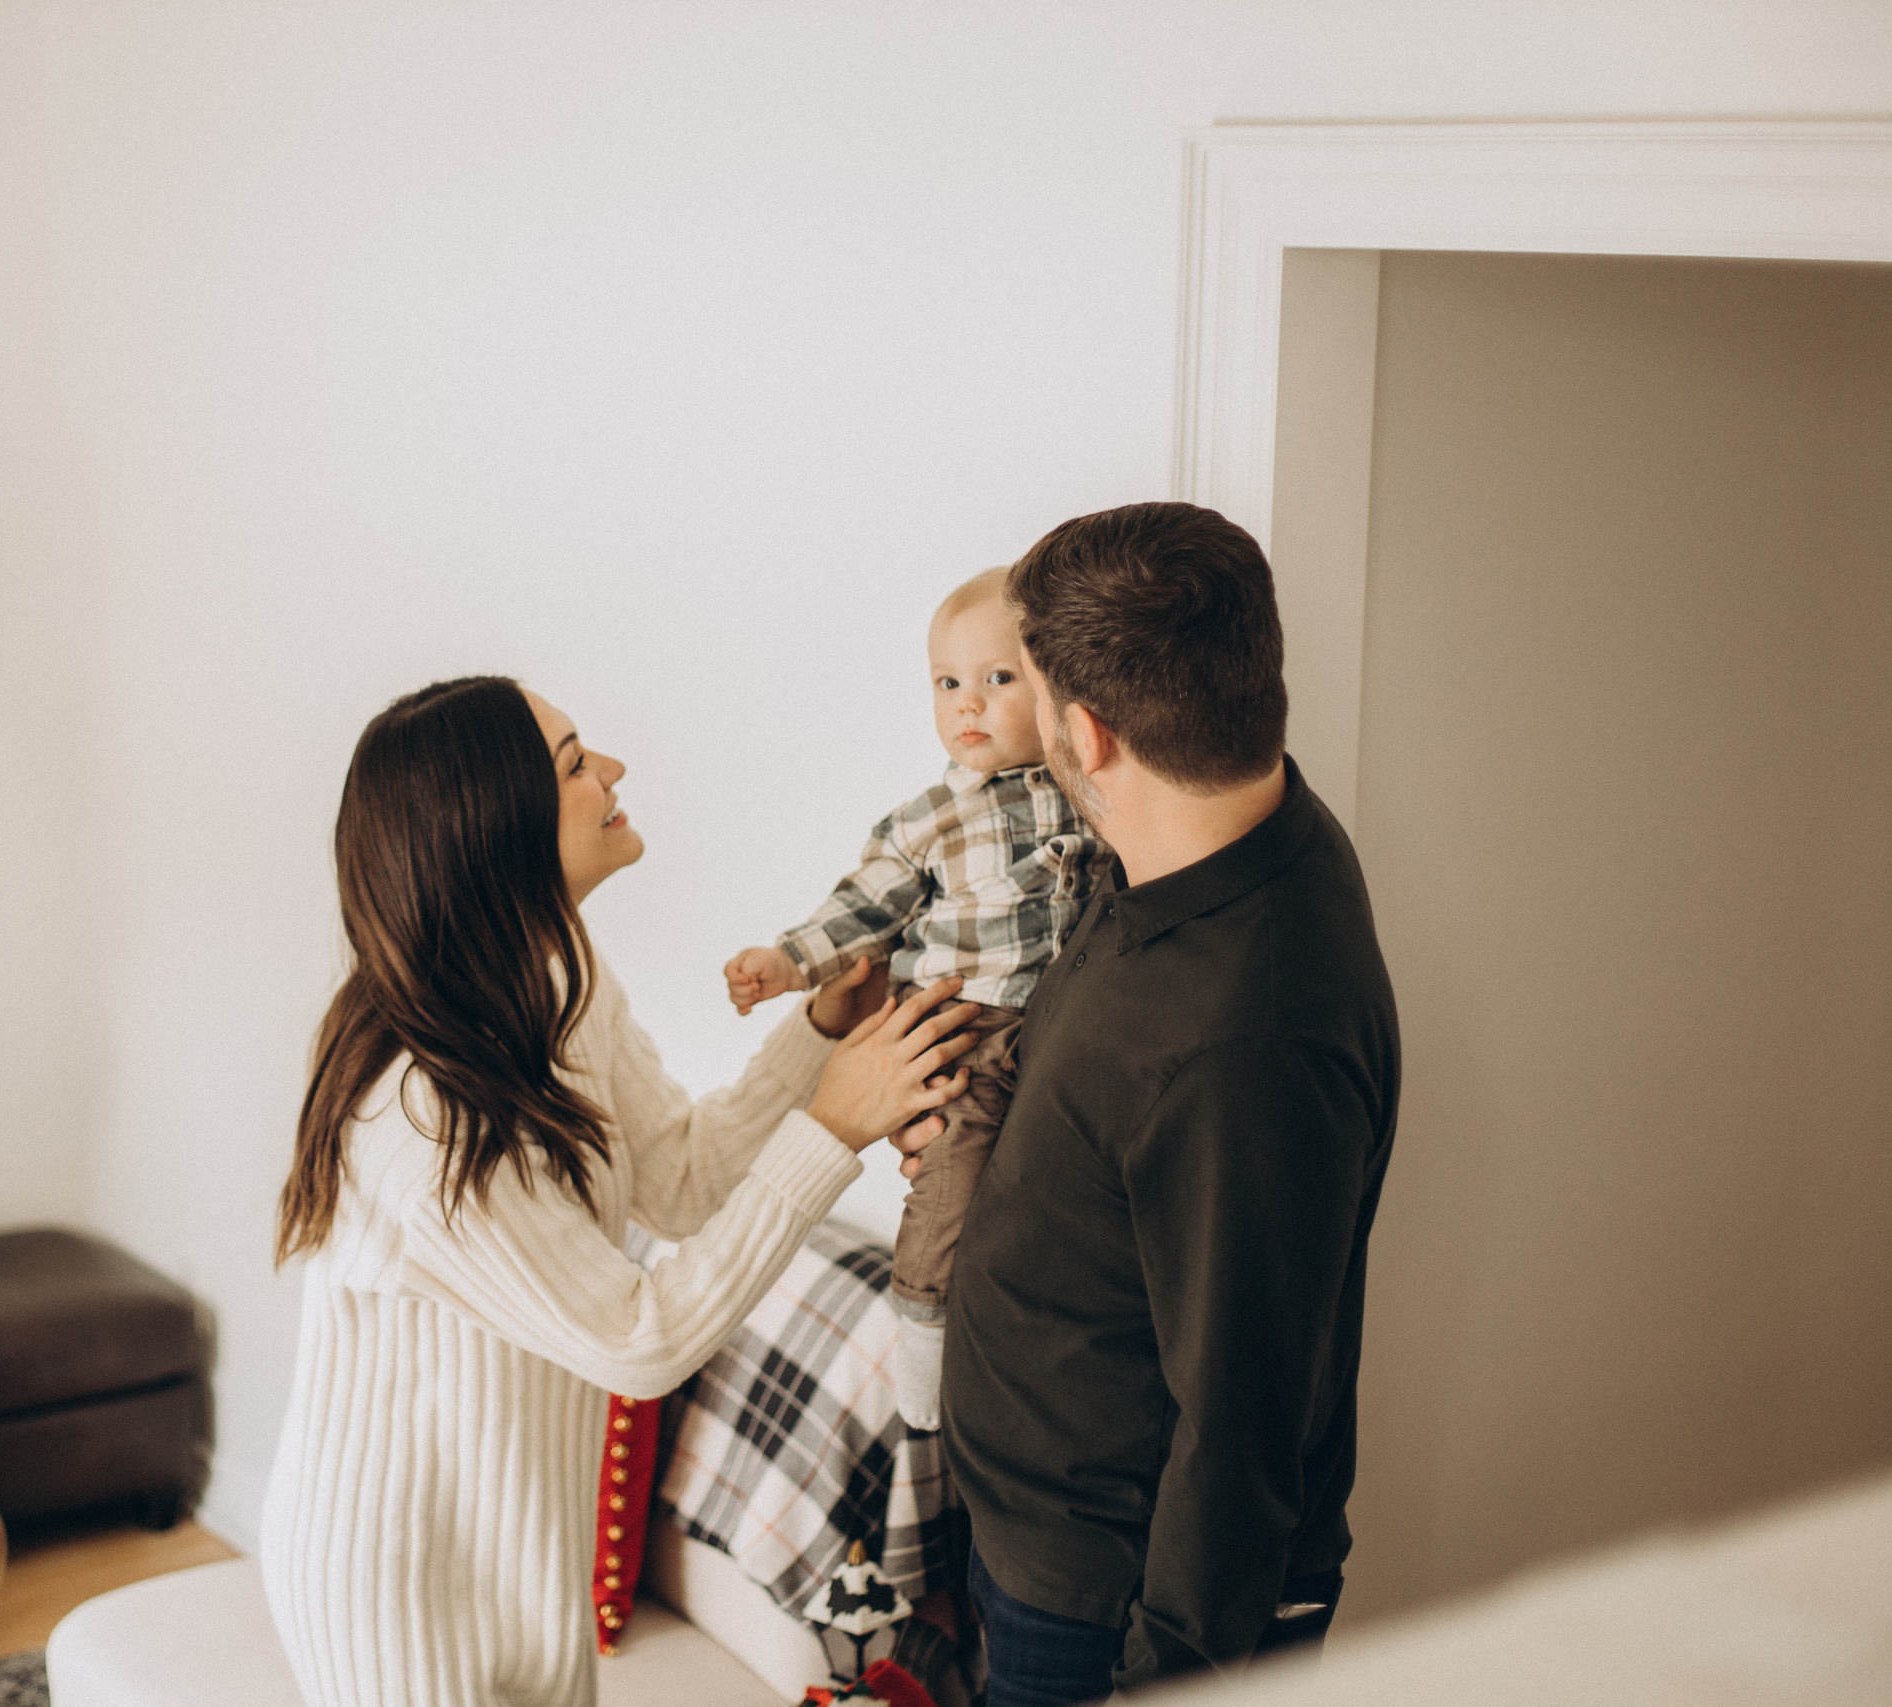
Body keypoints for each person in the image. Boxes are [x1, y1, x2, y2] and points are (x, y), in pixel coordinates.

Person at [262, 675, 981, 1707]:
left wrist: (819, 1032)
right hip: (397, 1581)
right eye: (573, 762)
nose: (613, 771)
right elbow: (638, 1344)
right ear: (496, 827)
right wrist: (833, 1125)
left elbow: (682, 1181)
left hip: (516, 1552)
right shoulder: (422, 1114)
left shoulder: (554, 977)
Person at [899, 503, 1401, 1704]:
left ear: (1083, 727)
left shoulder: (1247, 1038)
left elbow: (1245, 1420)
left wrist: (1162, 1678)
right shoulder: (1197, 834)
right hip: (1036, 1533)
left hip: (1109, 1611)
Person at [721, 567, 1102, 1429]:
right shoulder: (926, 820)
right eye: (948, 683)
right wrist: (785, 963)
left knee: (1047, 1189)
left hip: (1059, 1025)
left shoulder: (1085, 787)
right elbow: (859, 910)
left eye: (999, 679)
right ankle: (925, 1334)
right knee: (950, 1177)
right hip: (964, 1024)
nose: (969, 704)